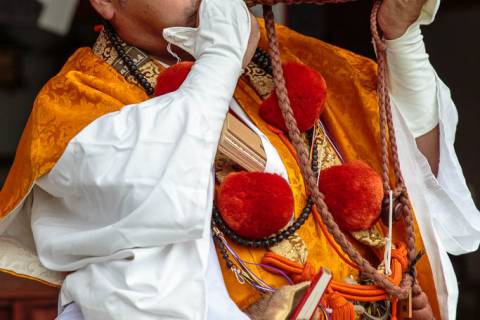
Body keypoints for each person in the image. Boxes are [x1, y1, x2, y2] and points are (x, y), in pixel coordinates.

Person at [0, 0, 477, 319]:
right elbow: (153, 202)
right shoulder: (77, 100)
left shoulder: (281, 58)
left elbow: (420, 177)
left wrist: (402, 39)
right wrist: (221, 60)